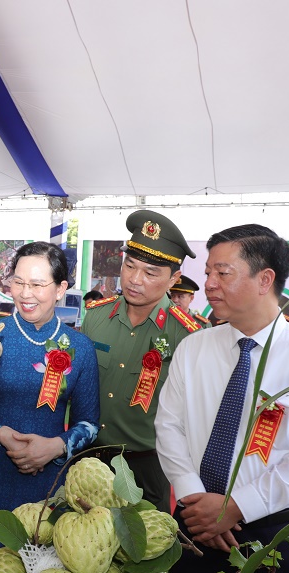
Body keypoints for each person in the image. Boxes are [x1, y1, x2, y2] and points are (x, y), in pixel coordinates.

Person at [156, 224, 289, 573]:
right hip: (194, 522)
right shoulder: (194, 348)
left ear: (265, 280)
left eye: (221, 273)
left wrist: (237, 506)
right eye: (208, 272)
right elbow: (169, 428)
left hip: (278, 530)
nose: (208, 283)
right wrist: (195, 500)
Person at [0, 242, 99, 554]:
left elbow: (89, 423)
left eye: (36, 284)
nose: (24, 293)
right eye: (18, 282)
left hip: (47, 478)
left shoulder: (80, 347)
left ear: (60, 289)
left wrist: (54, 446)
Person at [81, 210, 201, 512]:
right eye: (130, 266)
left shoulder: (188, 335)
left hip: (146, 464)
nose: (135, 280)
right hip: (88, 458)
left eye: (150, 273)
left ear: (174, 278)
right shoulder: (95, 317)